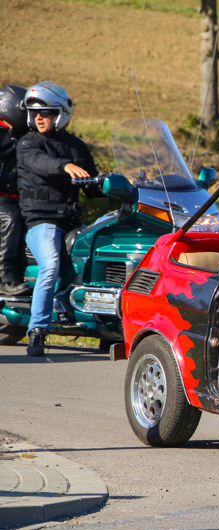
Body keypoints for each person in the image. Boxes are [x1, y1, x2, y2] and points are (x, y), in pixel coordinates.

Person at [17, 81, 99, 356]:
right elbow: (42, 164)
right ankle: (38, 330)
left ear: (60, 114)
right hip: (41, 222)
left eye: (47, 113)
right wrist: (64, 166)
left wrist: (128, 183)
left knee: (98, 258)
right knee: (51, 265)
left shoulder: (77, 147)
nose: (39, 118)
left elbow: (93, 187)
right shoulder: (29, 144)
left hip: (71, 223)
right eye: (35, 113)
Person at [0, 85, 30, 297]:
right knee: (10, 220)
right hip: (3, 197)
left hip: (19, 197)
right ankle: (5, 279)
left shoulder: (19, 134)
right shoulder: (3, 133)